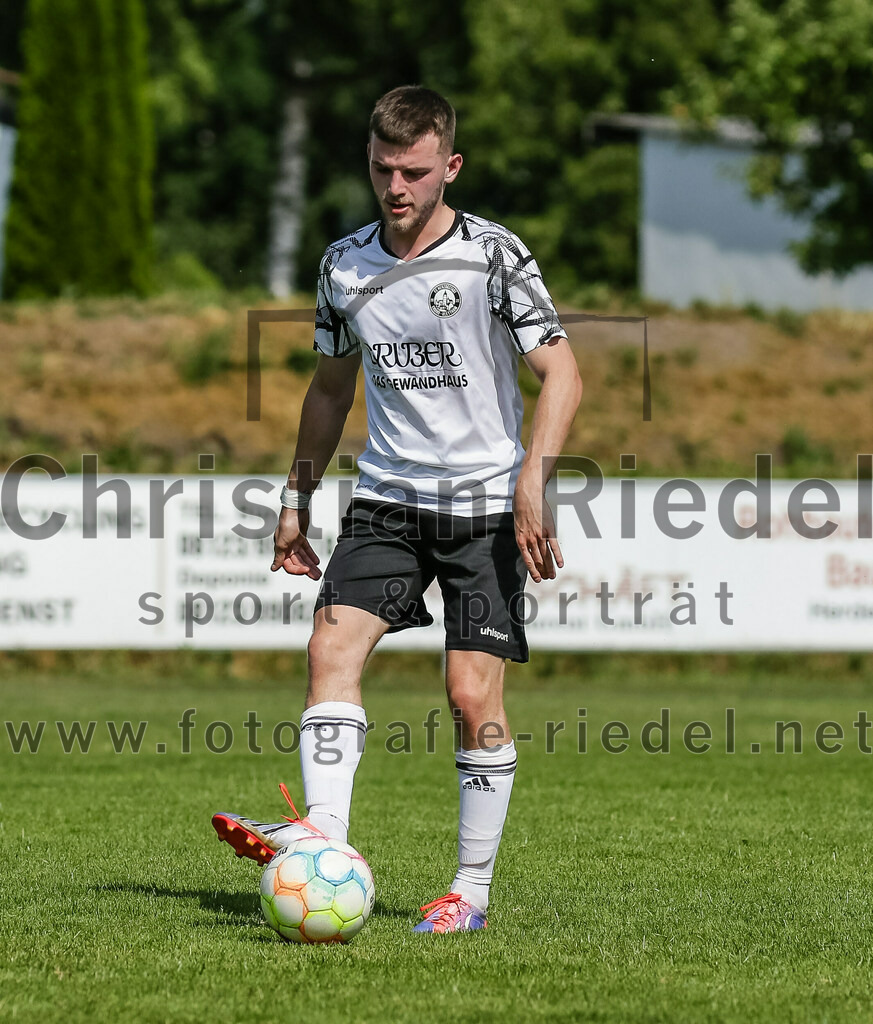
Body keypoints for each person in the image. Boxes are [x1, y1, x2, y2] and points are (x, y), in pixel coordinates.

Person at [212, 84, 582, 933]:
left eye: (414, 171)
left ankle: (469, 893)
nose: (396, 188)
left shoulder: (493, 255)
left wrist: (533, 478)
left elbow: (562, 372)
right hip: (386, 496)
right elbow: (330, 387)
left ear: (449, 165)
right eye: (383, 170)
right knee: (330, 647)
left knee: (468, 694)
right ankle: (322, 841)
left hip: (486, 505)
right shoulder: (344, 262)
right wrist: (295, 497)